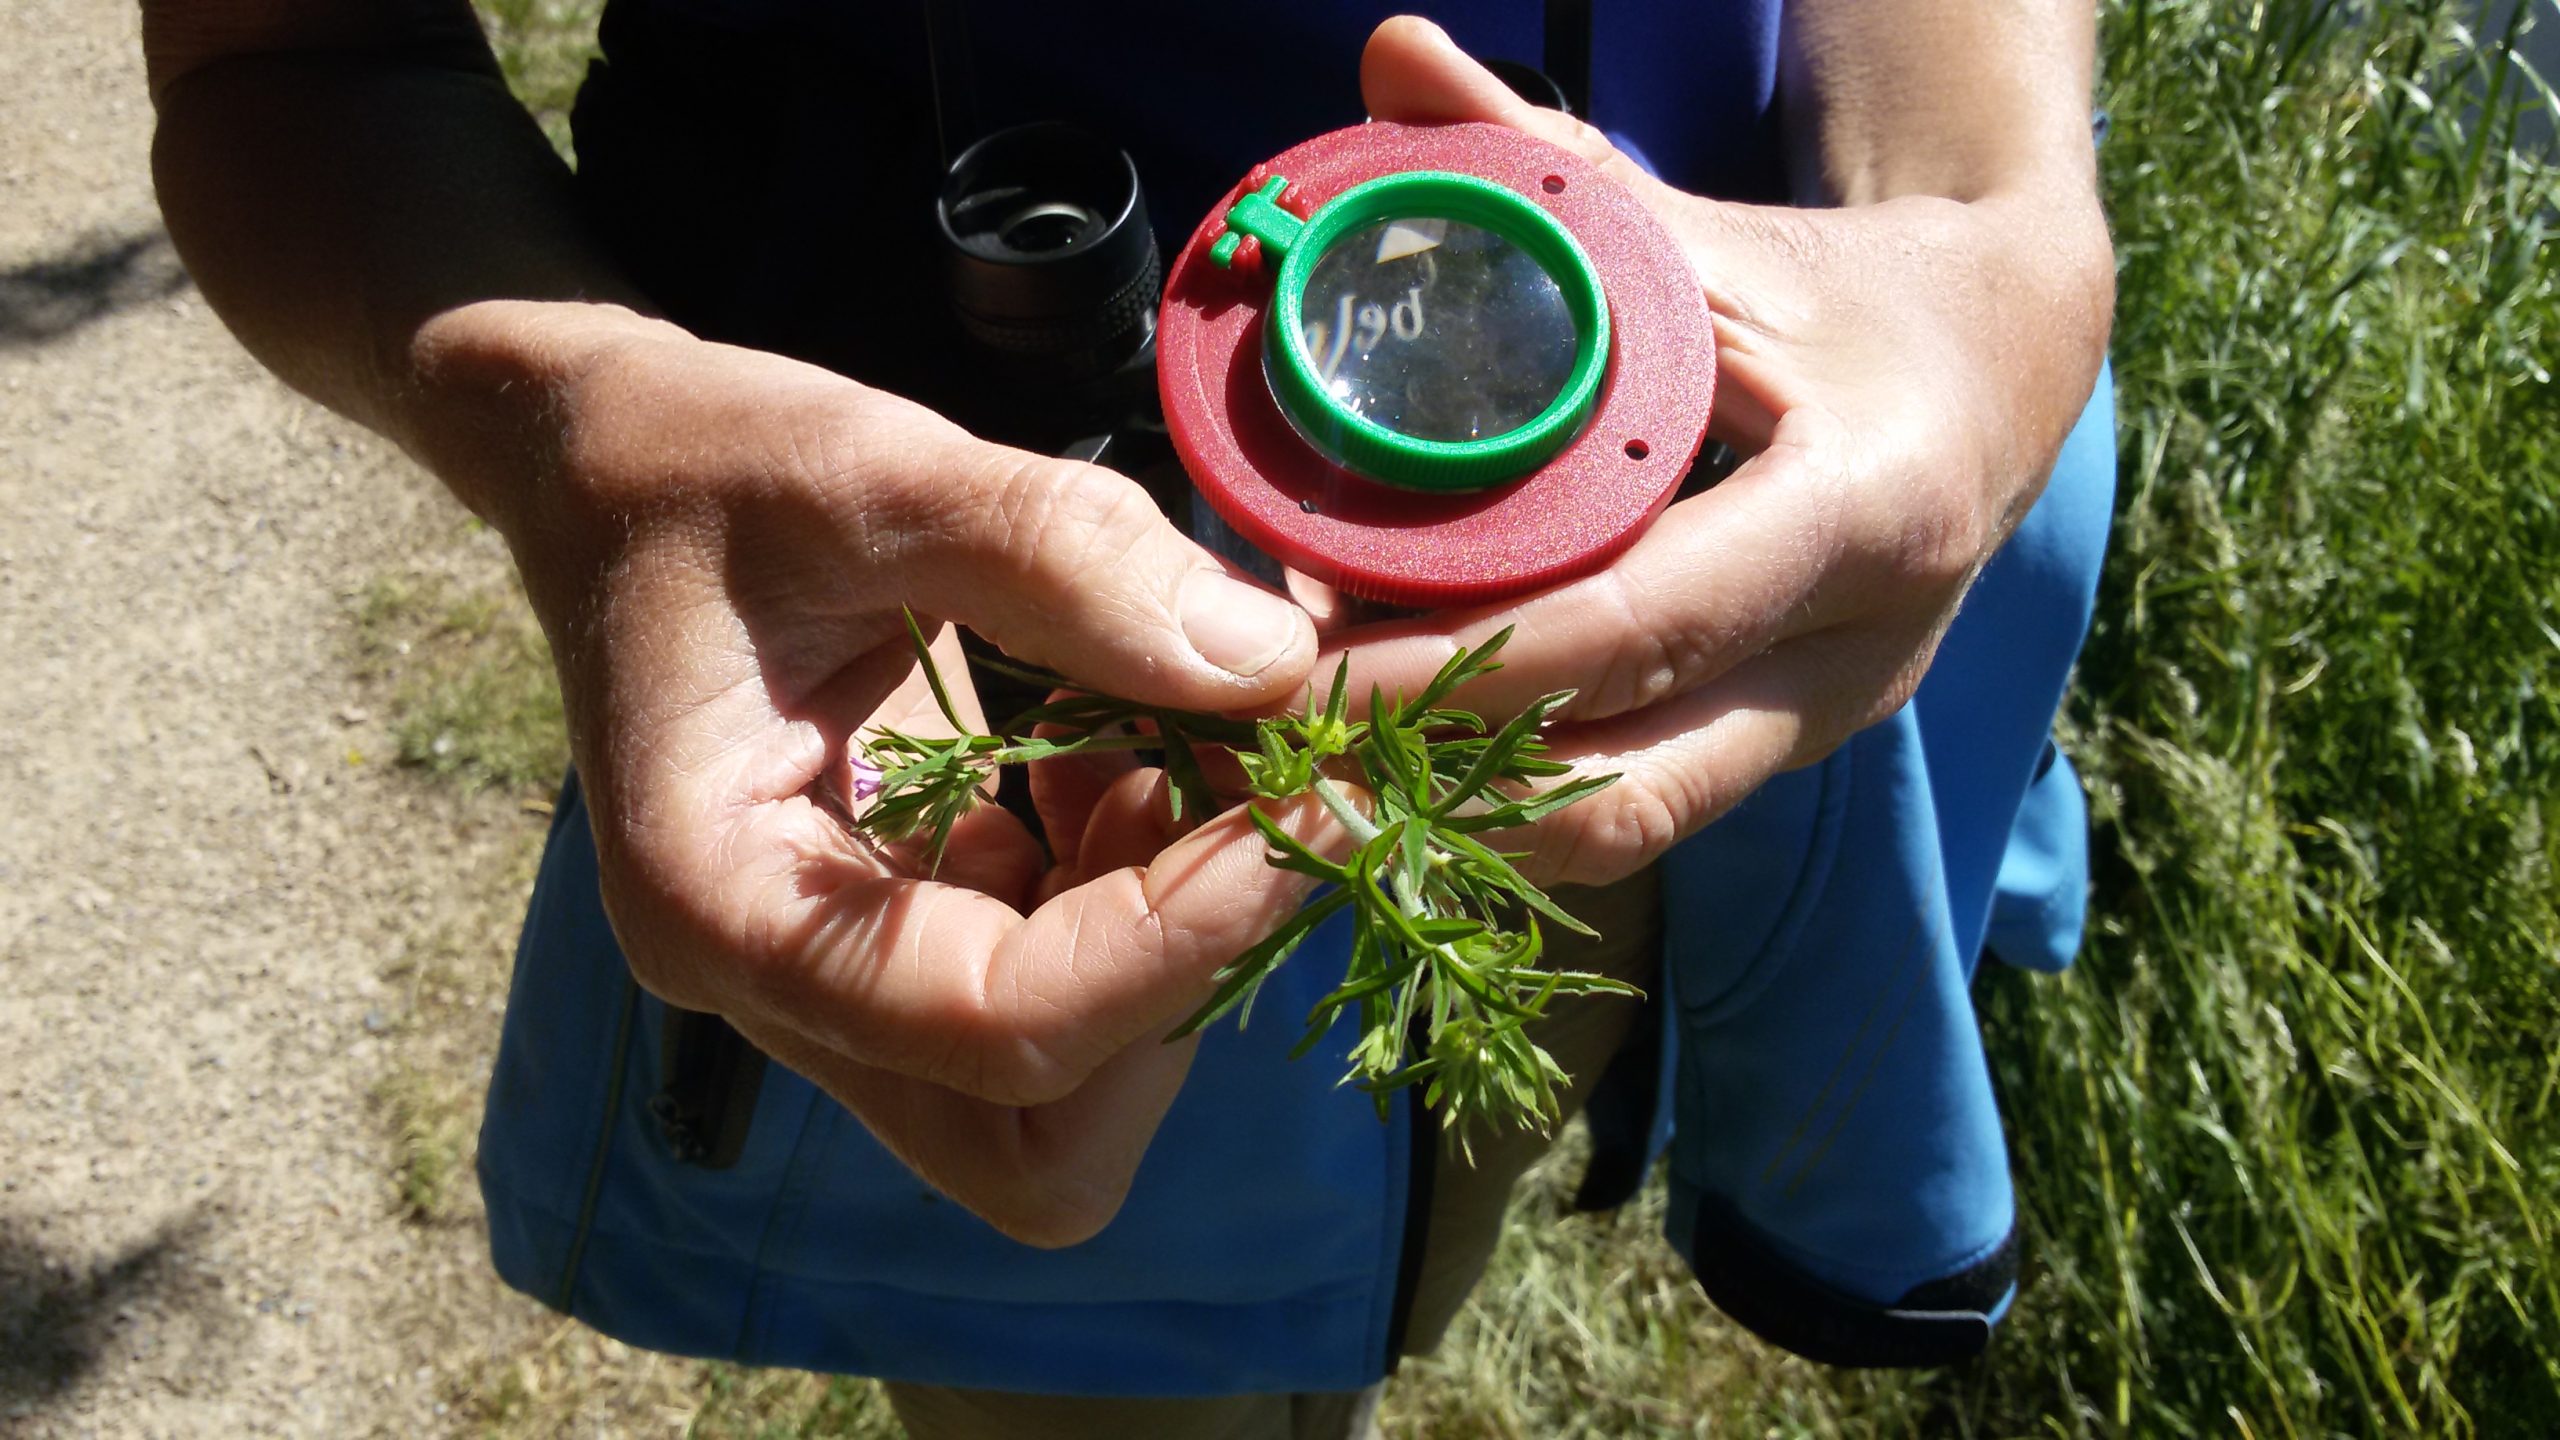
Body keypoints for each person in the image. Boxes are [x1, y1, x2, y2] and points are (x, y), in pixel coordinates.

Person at [144, 2, 2116, 1433]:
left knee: (1445, 1210)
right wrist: (570, 409)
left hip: (1749, 521)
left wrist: (1994, 237)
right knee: (1124, 1335)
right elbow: (297, 63)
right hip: (985, 707)